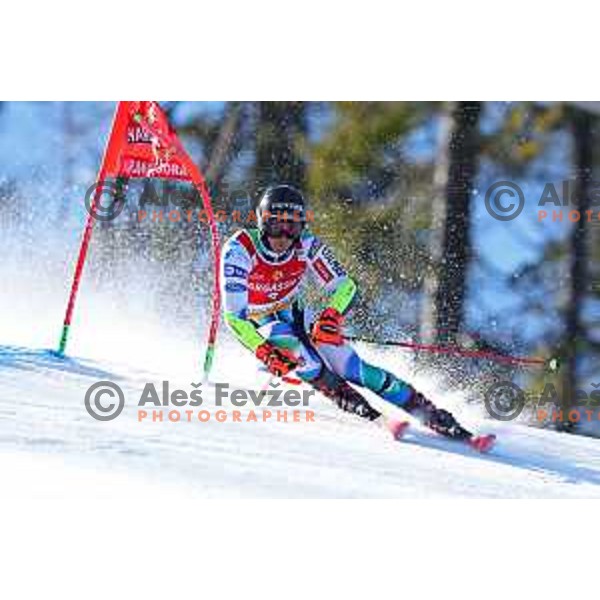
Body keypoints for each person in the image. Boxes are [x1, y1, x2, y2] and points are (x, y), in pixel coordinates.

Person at [221, 184, 488, 447]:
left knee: (350, 366)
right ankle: (368, 412)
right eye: (276, 224)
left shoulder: (306, 245)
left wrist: (331, 315)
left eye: (293, 226)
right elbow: (234, 317)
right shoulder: (240, 249)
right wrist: (264, 351)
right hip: (258, 325)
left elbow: (345, 286)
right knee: (295, 350)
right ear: (261, 221)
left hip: (295, 312)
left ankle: (435, 416)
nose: (284, 235)